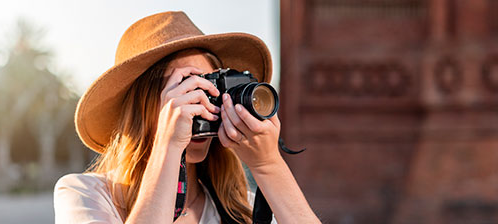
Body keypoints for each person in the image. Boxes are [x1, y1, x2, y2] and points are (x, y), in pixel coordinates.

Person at [54, 11, 320, 224]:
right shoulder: (84, 194)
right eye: (189, 89)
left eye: (211, 89)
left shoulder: (242, 210)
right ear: (141, 106)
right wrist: (168, 146)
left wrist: (268, 166)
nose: (202, 105)